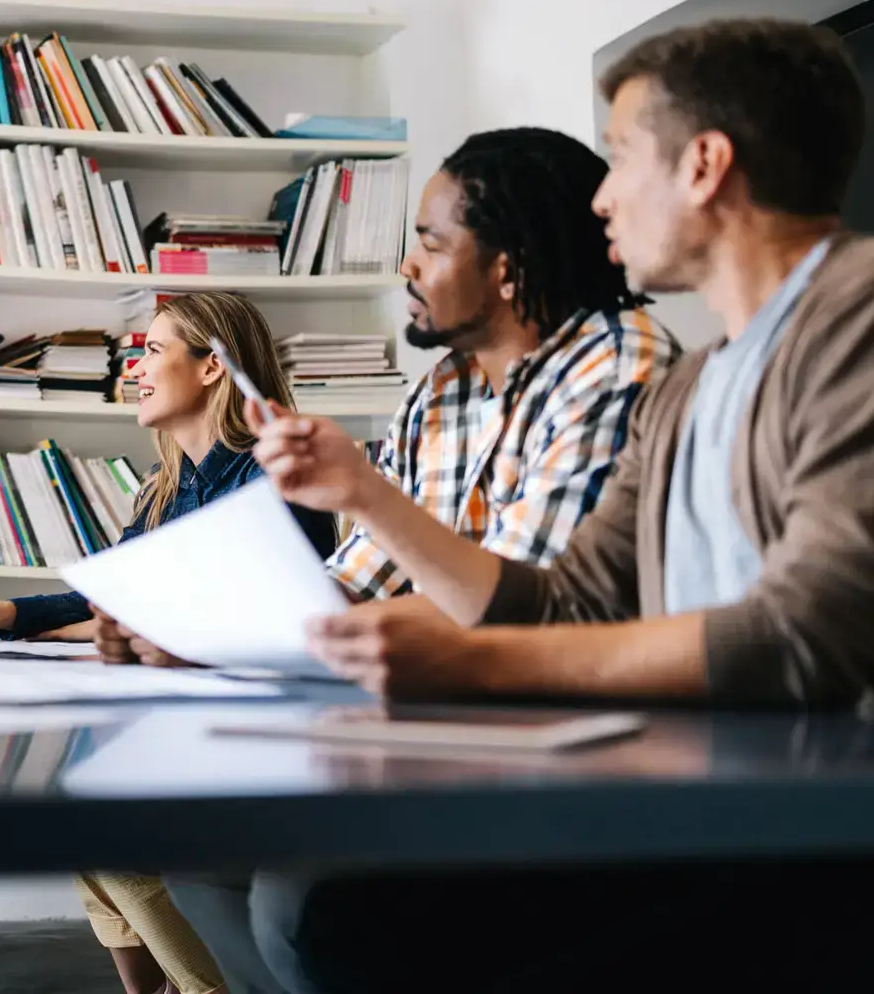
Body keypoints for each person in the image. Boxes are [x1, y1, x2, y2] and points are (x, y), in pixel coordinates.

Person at [233, 18, 874, 990]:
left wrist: (463, 656)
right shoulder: (690, 387)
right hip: (697, 808)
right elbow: (567, 601)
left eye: (624, 154)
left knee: (336, 911)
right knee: (325, 901)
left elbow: (810, 629)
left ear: (705, 166)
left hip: (827, 840)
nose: (600, 197)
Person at [97, 129, 679, 993]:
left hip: (555, 741)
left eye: (431, 243)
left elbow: (529, 613)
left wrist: (301, 586)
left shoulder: (618, 368)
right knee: (178, 844)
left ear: (508, 268)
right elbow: (350, 583)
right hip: (416, 723)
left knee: (305, 901)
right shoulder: (440, 391)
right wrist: (200, 632)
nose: (406, 266)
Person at [0, 292, 336, 994]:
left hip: (265, 731)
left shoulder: (274, 474)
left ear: (211, 369)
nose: (135, 368)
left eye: (153, 351)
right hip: (189, 712)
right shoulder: (165, 486)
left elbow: (267, 620)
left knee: (107, 824)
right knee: (80, 805)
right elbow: (113, 596)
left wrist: (144, 629)